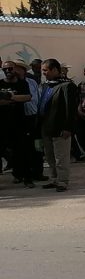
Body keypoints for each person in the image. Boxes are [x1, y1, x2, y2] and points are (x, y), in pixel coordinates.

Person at [37, 59, 78, 192]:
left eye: (46, 70)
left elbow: (70, 109)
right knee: (49, 156)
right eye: (42, 70)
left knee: (61, 157)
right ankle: (54, 179)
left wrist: (68, 128)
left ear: (55, 70)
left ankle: (62, 181)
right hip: (46, 127)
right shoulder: (46, 86)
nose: (44, 73)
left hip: (60, 128)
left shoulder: (67, 86)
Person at [1, 59, 36, 187]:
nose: (8, 71)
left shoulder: (22, 84)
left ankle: (27, 179)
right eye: (5, 69)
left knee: (23, 151)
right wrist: (15, 99)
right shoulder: (0, 83)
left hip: (20, 123)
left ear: (15, 69)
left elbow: (27, 97)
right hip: (2, 124)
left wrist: (8, 97)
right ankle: (16, 174)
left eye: (10, 68)